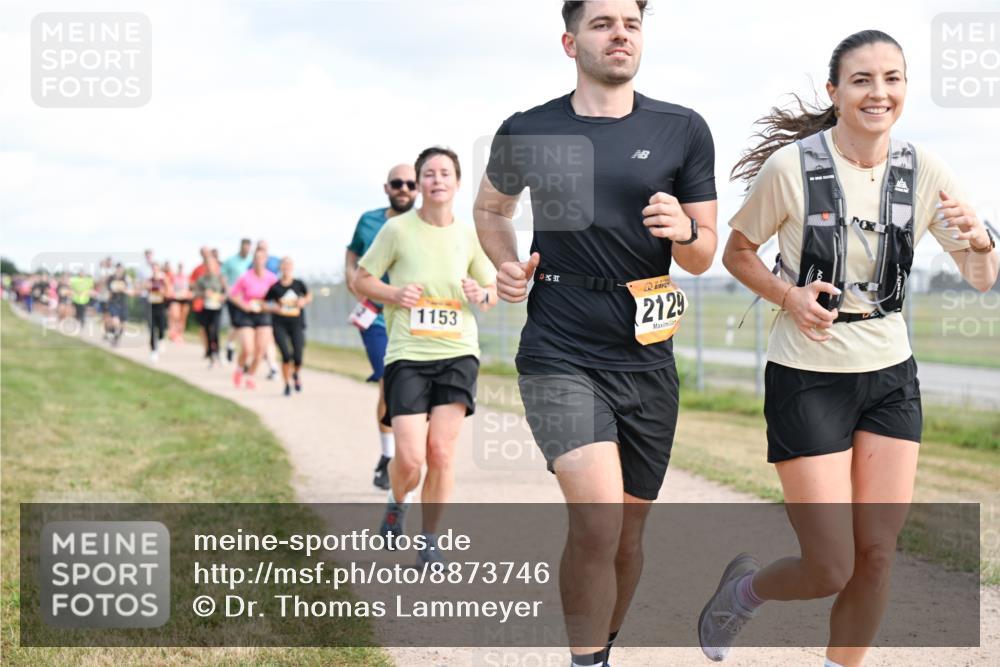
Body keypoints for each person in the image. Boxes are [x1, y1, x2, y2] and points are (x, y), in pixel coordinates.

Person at [699, 30, 999, 667]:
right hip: (808, 376)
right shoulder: (792, 169)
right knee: (830, 565)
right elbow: (738, 254)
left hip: (890, 374)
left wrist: (980, 242)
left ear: (905, 90)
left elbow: (980, 278)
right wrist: (790, 297)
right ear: (835, 93)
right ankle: (744, 591)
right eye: (862, 79)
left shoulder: (924, 170)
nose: (879, 92)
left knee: (879, 553)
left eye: (892, 78)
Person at [473, 3, 718, 666]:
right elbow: (492, 207)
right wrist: (503, 259)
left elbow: (704, 254)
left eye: (631, 23)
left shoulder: (684, 129)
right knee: (598, 519)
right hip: (559, 342)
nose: (620, 33)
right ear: (570, 40)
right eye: (603, 22)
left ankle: (600, 649)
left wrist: (686, 231)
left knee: (627, 536)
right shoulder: (528, 129)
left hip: (645, 355)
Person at [353, 146, 498, 567]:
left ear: (456, 182)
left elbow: (489, 295)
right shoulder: (398, 231)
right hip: (408, 354)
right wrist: (394, 294)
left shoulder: (469, 234)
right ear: (419, 184)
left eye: (445, 173)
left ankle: (430, 538)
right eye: (429, 174)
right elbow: (363, 280)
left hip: (457, 353)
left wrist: (480, 293)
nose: (437, 180)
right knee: (412, 457)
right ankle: (398, 502)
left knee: (441, 454)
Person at [346, 163, 419, 490]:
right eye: (397, 183)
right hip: (376, 315)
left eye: (410, 184)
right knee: (390, 383)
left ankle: (408, 455)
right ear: (387, 188)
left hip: (413, 319)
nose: (404, 188)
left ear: (418, 190)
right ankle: (389, 456)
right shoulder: (369, 221)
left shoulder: (427, 224)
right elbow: (352, 253)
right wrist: (351, 275)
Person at [228, 248, 278, 390]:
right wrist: (244, 305)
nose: (258, 261)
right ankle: (239, 368)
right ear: (253, 260)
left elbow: (277, 299)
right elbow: (233, 295)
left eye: (262, 258)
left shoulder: (271, 278)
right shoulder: (245, 277)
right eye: (256, 258)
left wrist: (268, 306)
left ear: (266, 260)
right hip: (247, 314)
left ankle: (250, 376)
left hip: (263, 314)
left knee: (260, 350)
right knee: (248, 348)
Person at [265, 257, 312, 396]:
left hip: (296, 323)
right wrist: (274, 308)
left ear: (292, 267)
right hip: (279, 323)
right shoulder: (275, 287)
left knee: (298, 356)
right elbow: (264, 303)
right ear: (280, 268)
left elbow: (309, 296)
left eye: (289, 265)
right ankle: (286, 384)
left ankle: (296, 374)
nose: (286, 268)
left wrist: (304, 300)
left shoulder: (298, 284)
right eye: (283, 265)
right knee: (285, 354)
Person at [221, 239, 253, 363]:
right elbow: (223, 275)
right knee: (236, 323)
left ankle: (235, 346)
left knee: (243, 325)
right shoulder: (230, 261)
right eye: (244, 248)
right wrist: (227, 290)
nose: (246, 250)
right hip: (234, 297)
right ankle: (231, 344)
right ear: (240, 247)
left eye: (248, 248)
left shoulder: (251, 261)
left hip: (247, 299)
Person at [193, 255, 227, 366]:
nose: (210, 267)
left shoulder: (220, 278)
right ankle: (210, 352)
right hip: (206, 307)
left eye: (212, 264)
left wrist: (222, 297)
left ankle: (217, 351)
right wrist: (204, 294)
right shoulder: (202, 279)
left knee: (215, 329)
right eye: (207, 265)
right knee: (207, 329)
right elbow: (195, 293)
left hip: (217, 307)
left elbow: (227, 292)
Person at [145, 262, 169, 362]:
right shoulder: (149, 280)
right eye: (153, 269)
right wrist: (148, 287)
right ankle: (153, 351)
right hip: (151, 307)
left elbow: (168, 291)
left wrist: (163, 291)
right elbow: (144, 288)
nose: (155, 270)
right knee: (151, 329)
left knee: (161, 328)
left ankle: (161, 340)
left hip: (160, 306)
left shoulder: (163, 279)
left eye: (156, 268)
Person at [106, 263, 132, 346]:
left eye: (121, 269)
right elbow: (109, 291)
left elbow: (131, 291)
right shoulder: (111, 278)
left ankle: (116, 338)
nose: (119, 271)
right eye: (118, 269)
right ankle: (111, 332)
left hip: (123, 302)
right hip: (113, 302)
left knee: (123, 324)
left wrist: (123, 289)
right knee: (115, 321)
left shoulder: (127, 279)